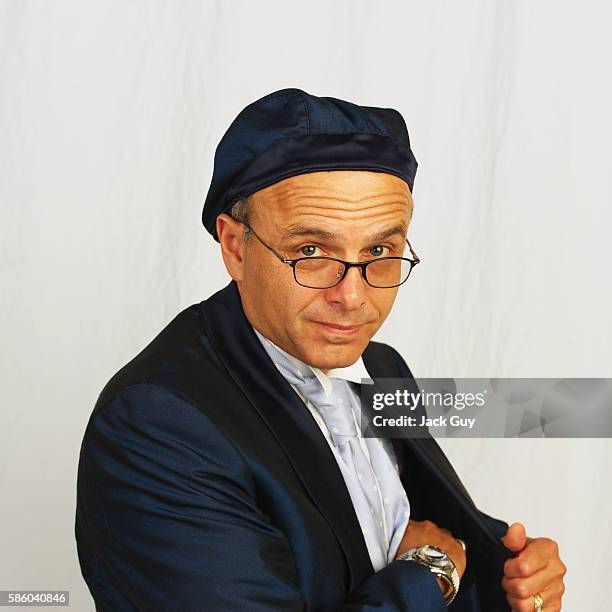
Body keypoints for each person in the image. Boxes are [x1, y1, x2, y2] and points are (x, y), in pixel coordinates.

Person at [75, 88, 566, 611]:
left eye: (379, 251)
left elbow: (397, 530)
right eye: (310, 252)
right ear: (235, 246)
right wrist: (433, 574)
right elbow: (425, 563)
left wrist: (510, 578)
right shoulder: (157, 424)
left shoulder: (380, 366)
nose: (352, 297)